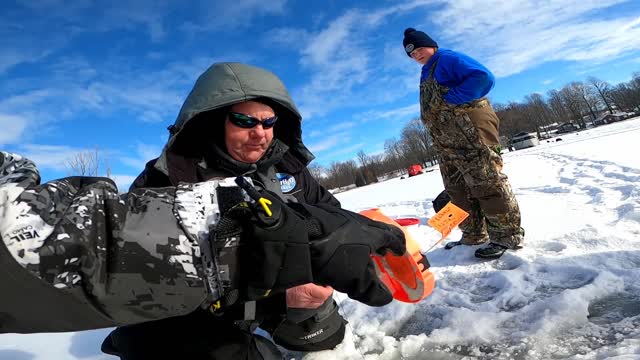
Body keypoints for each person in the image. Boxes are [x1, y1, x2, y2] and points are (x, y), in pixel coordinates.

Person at [0, 62, 406, 359]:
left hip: (286, 297)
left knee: (326, 344)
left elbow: (331, 216)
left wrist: (315, 275)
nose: (260, 132)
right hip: (200, 310)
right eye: (245, 119)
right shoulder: (164, 181)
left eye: (269, 121)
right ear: (215, 121)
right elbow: (143, 271)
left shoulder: (289, 171)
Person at [403, 28, 524, 259]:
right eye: (412, 53)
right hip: (448, 140)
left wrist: (452, 98)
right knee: (457, 189)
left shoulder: (448, 59)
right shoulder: (427, 70)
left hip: (470, 131)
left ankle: (506, 236)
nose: (417, 55)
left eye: (420, 49)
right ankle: (473, 234)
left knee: (486, 182)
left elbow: (483, 77)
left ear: (432, 45)